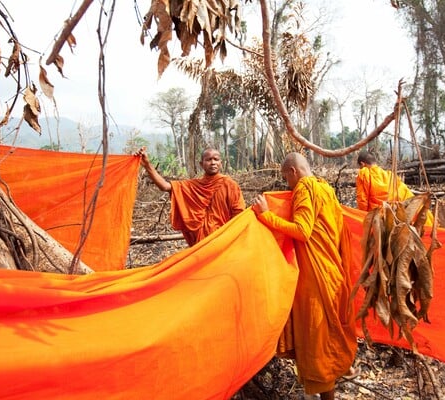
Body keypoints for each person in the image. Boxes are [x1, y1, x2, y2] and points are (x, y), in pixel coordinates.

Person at [252, 152, 357, 400]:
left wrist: (267, 215)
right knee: (329, 333)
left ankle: (327, 394)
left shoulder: (304, 188)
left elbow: (302, 230)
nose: (287, 184)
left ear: (293, 172)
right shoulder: (326, 188)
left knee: (317, 338)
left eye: (285, 178)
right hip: (331, 270)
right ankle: (343, 367)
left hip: (316, 276)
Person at [135, 147, 245, 246]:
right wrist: (147, 165)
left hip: (223, 241)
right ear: (201, 164)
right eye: (208, 159)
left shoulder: (230, 185)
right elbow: (165, 186)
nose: (213, 163)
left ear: (221, 163)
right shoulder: (192, 185)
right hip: (201, 243)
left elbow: (239, 214)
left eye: (216, 159)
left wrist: (231, 238)